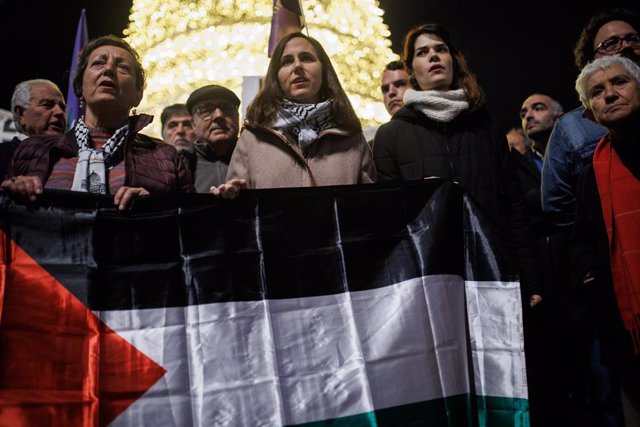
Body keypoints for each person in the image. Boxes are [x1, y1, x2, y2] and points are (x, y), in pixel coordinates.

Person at [1, 35, 193, 210]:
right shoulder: (31, 150)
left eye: (123, 67)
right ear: (80, 87)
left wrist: (154, 209)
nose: (108, 69)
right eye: (98, 63)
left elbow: (191, 228)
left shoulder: (167, 157)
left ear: (138, 95)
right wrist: (12, 195)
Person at [212, 32, 375, 198]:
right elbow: (239, 209)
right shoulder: (252, 138)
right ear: (276, 76)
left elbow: (370, 206)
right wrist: (230, 198)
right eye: (287, 61)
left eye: (306, 58)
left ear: (324, 70)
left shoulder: (352, 137)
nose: (297, 66)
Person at [571, 55, 640, 426]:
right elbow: (580, 240)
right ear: (589, 112)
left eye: (619, 83)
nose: (610, 95)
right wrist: (590, 274)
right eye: (597, 92)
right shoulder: (589, 176)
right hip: (630, 333)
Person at [543, 8, 640, 229]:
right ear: (591, 61)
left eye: (632, 39)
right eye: (611, 43)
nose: (625, 46)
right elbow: (557, 205)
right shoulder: (572, 126)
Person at [0, 79, 66, 179]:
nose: (60, 112)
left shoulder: (77, 159)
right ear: (21, 114)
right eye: (47, 105)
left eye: (63, 108)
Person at [185, 84, 240, 193]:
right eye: (206, 110)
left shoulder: (256, 158)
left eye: (227, 108)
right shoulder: (180, 164)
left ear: (238, 117)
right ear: (193, 124)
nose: (218, 115)